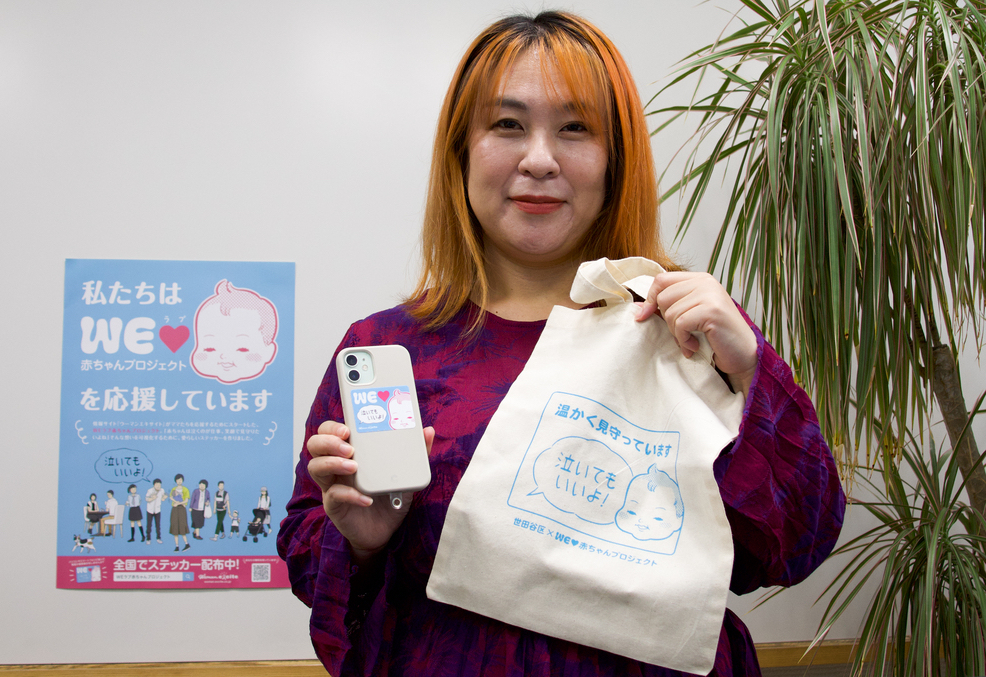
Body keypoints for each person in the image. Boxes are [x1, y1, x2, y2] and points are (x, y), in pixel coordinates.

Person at [278, 11, 845, 677]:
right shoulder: (387, 347)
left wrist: (749, 366)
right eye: (507, 124)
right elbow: (308, 554)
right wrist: (363, 543)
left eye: (575, 128)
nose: (539, 159)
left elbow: (793, 545)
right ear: (462, 150)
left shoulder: (683, 329)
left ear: (615, 158)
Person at [168, 473, 191, 552]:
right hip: (174, 509)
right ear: (176, 481)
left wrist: (179, 503)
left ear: (182, 480)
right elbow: (171, 497)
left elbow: (186, 500)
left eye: (180, 480)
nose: (179, 481)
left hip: (182, 509)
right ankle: (177, 546)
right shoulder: (173, 489)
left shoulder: (185, 489)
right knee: (175, 526)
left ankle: (187, 544)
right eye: (178, 480)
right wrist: (176, 502)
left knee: (182, 525)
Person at [145, 478, 166, 544]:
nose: (158, 487)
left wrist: (164, 497)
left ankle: (158, 538)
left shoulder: (162, 490)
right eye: (157, 485)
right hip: (150, 510)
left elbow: (166, 495)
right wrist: (152, 498)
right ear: (154, 485)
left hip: (157, 510)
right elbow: (146, 499)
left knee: (158, 525)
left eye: (160, 485)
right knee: (149, 525)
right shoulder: (150, 490)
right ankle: (148, 539)